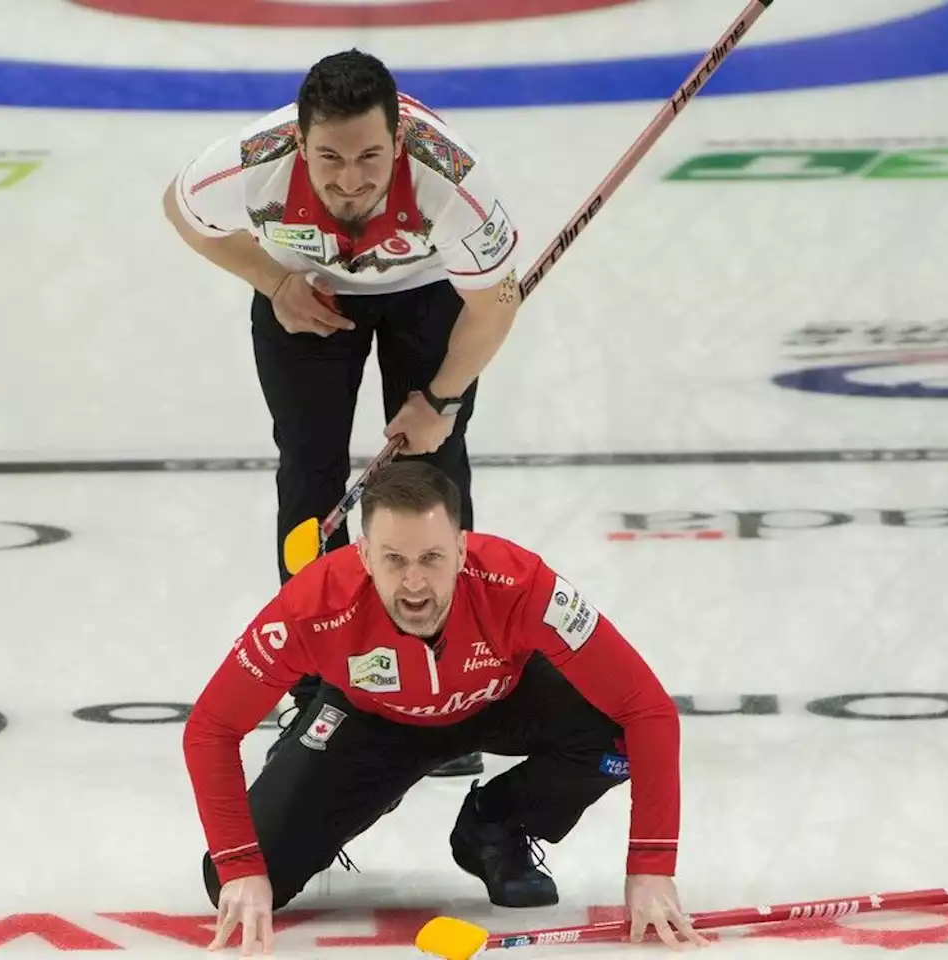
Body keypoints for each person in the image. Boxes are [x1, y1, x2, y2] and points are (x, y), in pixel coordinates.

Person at [163, 49, 524, 778]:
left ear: (400, 142)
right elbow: (181, 208)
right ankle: (312, 690)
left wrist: (442, 399)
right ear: (299, 143)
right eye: (329, 157)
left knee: (431, 475)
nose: (351, 178)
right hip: (308, 296)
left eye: (370, 156)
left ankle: (449, 684)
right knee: (309, 474)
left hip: (430, 295)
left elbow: (497, 299)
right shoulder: (246, 166)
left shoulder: (452, 181)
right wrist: (271, 281)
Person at [183, 461, 708, 956]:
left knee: (617, 731)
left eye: (431, 558)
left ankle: (495, 823)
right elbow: (211, 728)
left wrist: (651, 866)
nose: (414, 584)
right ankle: (354, 790)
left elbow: (648, 709)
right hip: (372, 722)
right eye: (394, 559)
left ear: (461, 549)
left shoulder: (521, 583)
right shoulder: (312, 605)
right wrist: (239, 866)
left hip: (500, 699)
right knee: (239, 877)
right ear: (364, 555)